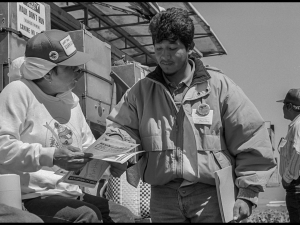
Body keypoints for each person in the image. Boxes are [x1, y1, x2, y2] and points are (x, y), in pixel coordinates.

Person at [105, 7, 277, 223]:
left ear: (189, 48)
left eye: (172, 48)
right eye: (159, 48)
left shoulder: (220, 88)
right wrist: (115, 150)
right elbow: (120, 129)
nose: (164, 56)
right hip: (163, 197)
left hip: (210, 196)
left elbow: (251, 138)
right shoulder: (141, 92)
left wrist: (248, 194)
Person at [0, 29, 135, 223]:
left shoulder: (71, 100)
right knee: (87, 215)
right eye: (71, 67)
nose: (78, 73)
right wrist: (52, 156)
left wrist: (109, 163)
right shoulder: (18, 92)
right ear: (47, 73)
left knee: (124, 216)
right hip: (30, 196)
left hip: (70, 193)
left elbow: (88, 149)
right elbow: (2, 146)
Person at [277, 88, 300, 223]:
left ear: (289, 106)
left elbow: (298, 152)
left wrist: (287, 178)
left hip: (296, 187)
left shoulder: (298, 125)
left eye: (284, 105)